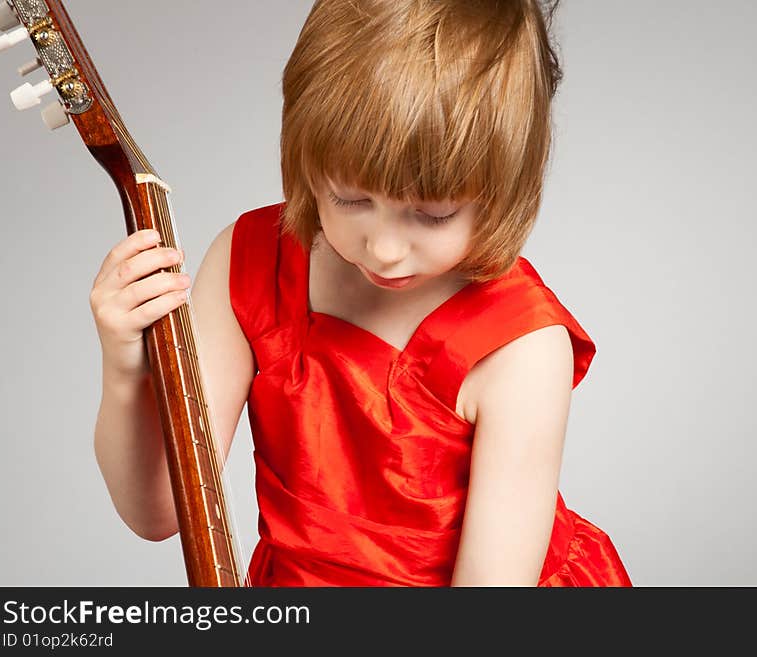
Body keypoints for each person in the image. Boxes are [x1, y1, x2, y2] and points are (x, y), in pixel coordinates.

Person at [90, 0, 631, 587]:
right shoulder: (247, 266)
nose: (385, 248)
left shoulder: (521, 347)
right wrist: (126, 371)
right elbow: (162, 512)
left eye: (432, 214)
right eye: (351, 200)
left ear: (503, 191)